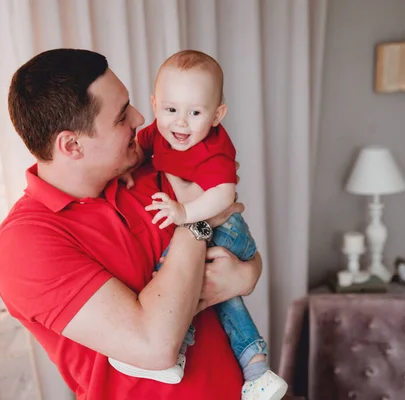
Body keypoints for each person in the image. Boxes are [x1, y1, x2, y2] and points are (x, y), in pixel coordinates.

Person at [0, 48, 264, 400]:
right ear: (71, 145)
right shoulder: (26, 245)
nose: (139, 118)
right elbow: (155, 346)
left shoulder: (149, 169)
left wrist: (247, 274)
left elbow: (235, 236)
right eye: (121, 116)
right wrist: (195, 220)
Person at [107, 50, 288, 400]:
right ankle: (257, 369)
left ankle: (177, 351)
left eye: (195, 113)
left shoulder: (214, 148)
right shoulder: (158, 133)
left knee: (173, 275)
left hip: (230, 228)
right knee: (221, 300)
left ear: (218, 115)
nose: (181, 124)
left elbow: (224, 194)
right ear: (156, 104)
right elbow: (143, 148)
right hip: (214, 227)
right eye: (171, 110)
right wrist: (130, 168)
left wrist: (184, 213)